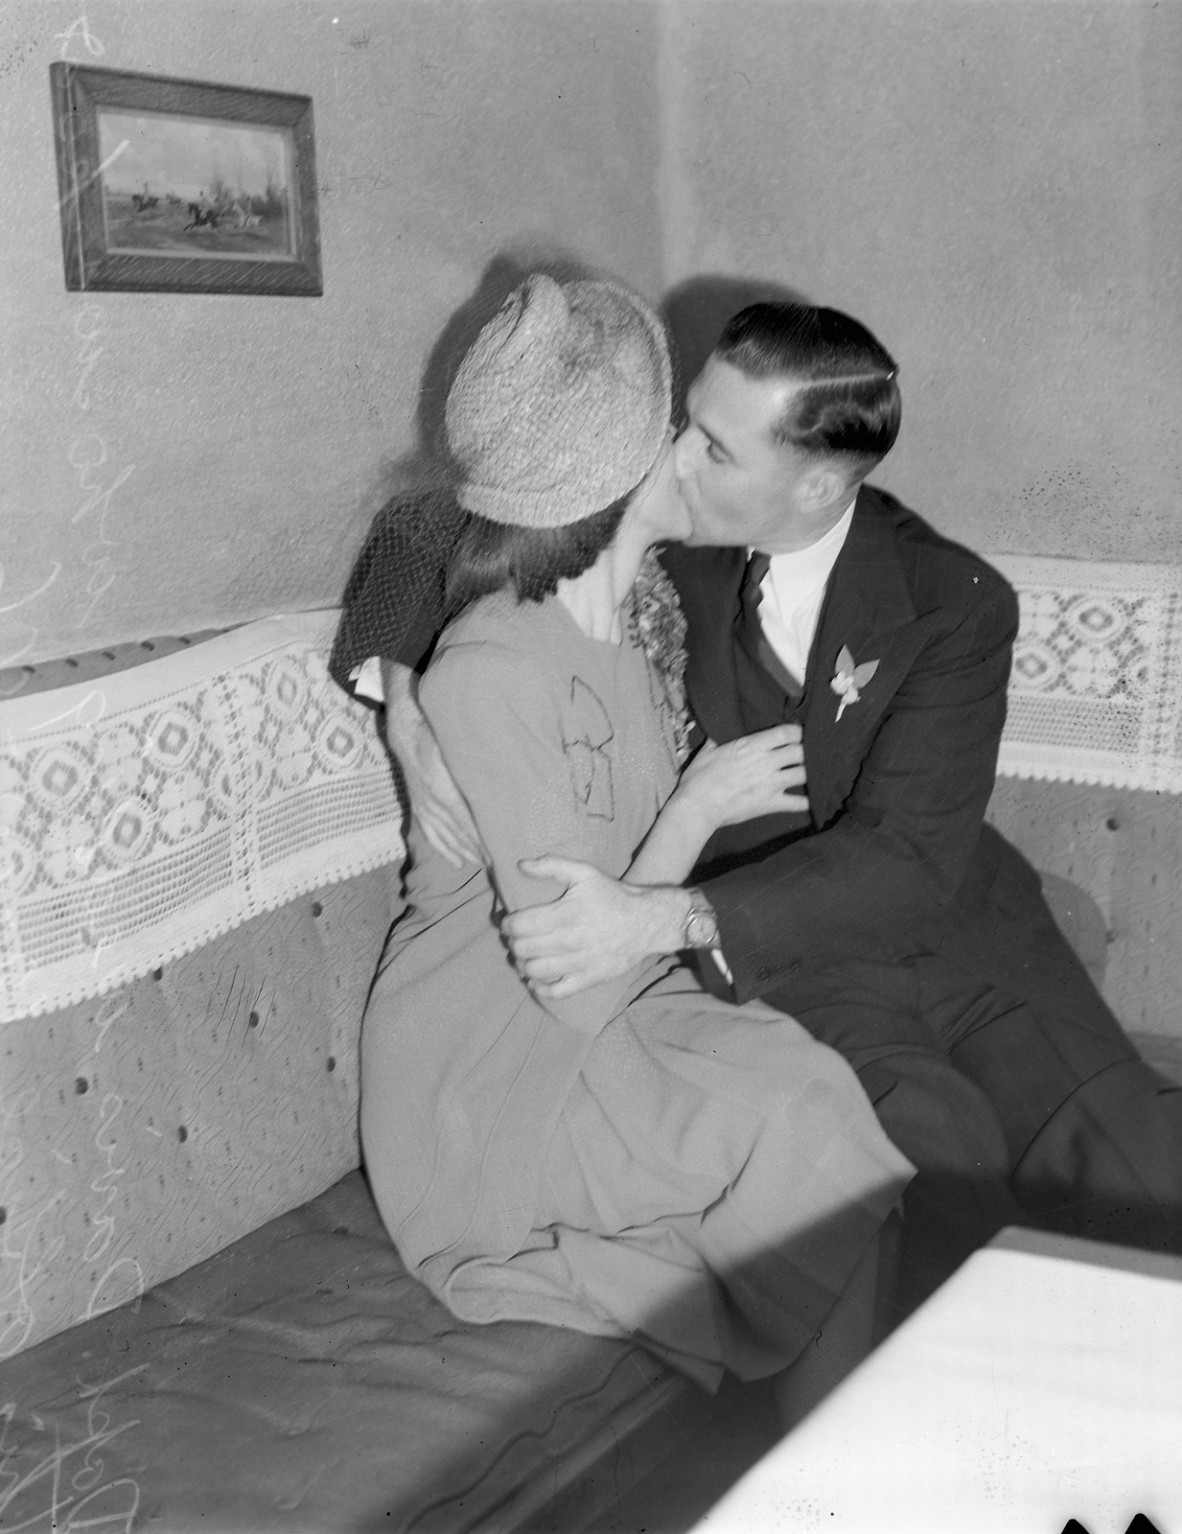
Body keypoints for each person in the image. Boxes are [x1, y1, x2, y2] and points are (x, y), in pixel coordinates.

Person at [334, 293, 1182, 1313]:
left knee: (1138, 1155)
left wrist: (671, 910)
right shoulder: (663, 535)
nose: (681, 453)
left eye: (714, 445)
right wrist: (405, 702)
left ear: (817, 479)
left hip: (955, 922)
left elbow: (907, 858)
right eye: (684, 419)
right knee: (938, 1178)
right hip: (788, 950)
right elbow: (433, 518)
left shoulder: (952, 599)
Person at [352, 273, 912, 1409]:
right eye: (683, 427)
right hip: (492, 1071)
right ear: (621, 468)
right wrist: (697, 807)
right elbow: (570, 982)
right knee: (805, 1126)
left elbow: (428, 516)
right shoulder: (497, 665)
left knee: (825, 1105)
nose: (699, 448)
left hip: (615, 1006)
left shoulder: (641, 607)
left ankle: (842, 1474)